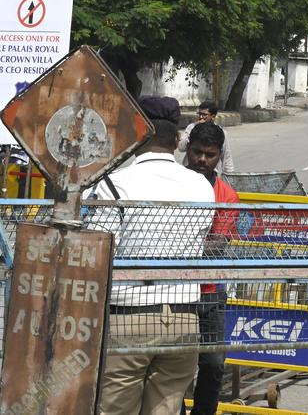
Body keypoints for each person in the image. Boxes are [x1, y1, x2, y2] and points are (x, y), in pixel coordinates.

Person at [84, 96, 214, 415]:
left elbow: (99, 249)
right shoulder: (201, 186)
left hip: (128, 315)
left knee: (113, 409)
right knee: (167, 409)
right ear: (178, 143)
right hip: (184, 319)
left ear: (137, 137)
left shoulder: (114, 185)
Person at [183, 122, 240, 415]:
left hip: (210, 292)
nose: (202, 160)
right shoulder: (171, 184)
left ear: (219, 155)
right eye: (197, 153)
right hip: (173, 290)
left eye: (210, 154)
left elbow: (217, 244)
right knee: (171, 364)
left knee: (214, 364)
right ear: (187, 149)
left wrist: (178, 243)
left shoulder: (226, 196)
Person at [179, 101, 235, 173]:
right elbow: (181, 147)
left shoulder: (220, 132)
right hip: (191, 172)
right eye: (200, 114)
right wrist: (194, 130)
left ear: (213, 116)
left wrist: (229, 176)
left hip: (209, 173)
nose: (201, 117)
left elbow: (226, 157)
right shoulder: (191, 127)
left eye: (204, 115)